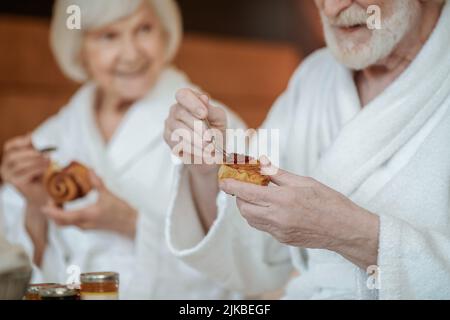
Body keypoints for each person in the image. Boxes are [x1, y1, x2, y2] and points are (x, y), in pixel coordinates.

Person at [164, 0, 450, 299]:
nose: (331, 8)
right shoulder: (315, 77)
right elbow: (255, 259)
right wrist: (207, 168)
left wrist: (350, 232)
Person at [0, 0, 241, 299]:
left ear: (165, 34)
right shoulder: (49, 139)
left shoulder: (217, 129)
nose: (131, 53)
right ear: (80, 49)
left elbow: (242, 268)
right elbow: (14, 272)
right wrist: (35, 208)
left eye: (144, 29)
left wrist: (128, 221)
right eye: (108, 36)